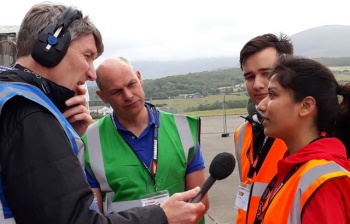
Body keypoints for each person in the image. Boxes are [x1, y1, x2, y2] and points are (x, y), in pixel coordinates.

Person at [0, 3, 205, 224]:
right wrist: (160, 216)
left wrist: (64, 135)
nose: (90, 73)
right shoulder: (29, 113)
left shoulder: (10, 98)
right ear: (50, 46)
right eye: (87, 56)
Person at [81, 57, 209, 223]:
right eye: (117, 92)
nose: (128, 95)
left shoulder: (182, 128)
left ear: (139, 78)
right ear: (102, 96)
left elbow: (201, 200)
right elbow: (92, 217)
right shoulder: (90, 141)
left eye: (131, 84)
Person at [254, 55, 350, 224]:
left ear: (306, 106)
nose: (261, 106)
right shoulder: (297, 168)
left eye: (272, 95)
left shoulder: (324, 182)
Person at [233, 33, 293, 224]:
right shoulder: (242, 133)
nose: (257, 85)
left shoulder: (309, 131)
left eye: (267, 74)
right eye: (249, 77)